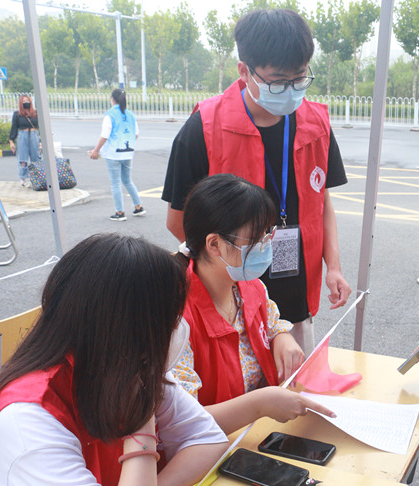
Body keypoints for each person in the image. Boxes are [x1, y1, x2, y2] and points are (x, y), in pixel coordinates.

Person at [0, 234, 229, 486]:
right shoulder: (28, 419)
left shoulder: (122, 366)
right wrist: (141, 420)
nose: (176, 329)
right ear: (131, 329)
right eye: (168, 318)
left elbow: (208, 439)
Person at [162, 8, 351, 355]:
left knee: (293, 381)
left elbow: (321, 203)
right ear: (244, 71)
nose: (290, 90)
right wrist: (234, 270)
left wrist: (334, 268)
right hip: (228, 303)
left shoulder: (316, 124)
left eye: (299, 78)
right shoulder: (204, 128)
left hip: (295, 291)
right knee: (237, 381)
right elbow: (178, 222)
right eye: (278, 81)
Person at [172, 174, 335, 434]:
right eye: (255, 239)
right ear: (214, 244)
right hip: (210, 447)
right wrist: (259, 405)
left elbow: (272, 322)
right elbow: (182, 422)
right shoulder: (175, 317)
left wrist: (282, 336)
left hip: (253, 434)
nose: (265, 245)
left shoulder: (251, 287)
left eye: (267, 234)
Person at [89, 88, 146, 221]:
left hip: (113, 154)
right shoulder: (130, 114)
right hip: (128, 153)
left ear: (112, 99)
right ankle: (138, 207)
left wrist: (96, 150)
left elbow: (105, 135)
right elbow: (136, 134)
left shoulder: (110, 115)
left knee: (115, 183)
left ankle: (120, 212)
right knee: (127, 180)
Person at [8, 94, 40, 188]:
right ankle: (23, 178)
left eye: (27, 100)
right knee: (23, 159)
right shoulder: (17, 114)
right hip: (23, 135)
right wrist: (11, 141)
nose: (26, 102)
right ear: (21, 103)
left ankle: (36, 178)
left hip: (34, 135)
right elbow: (14, 127)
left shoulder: (36, 113)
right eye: (24, 101)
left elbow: (41, 126)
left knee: (36, 158)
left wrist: (41, 140)